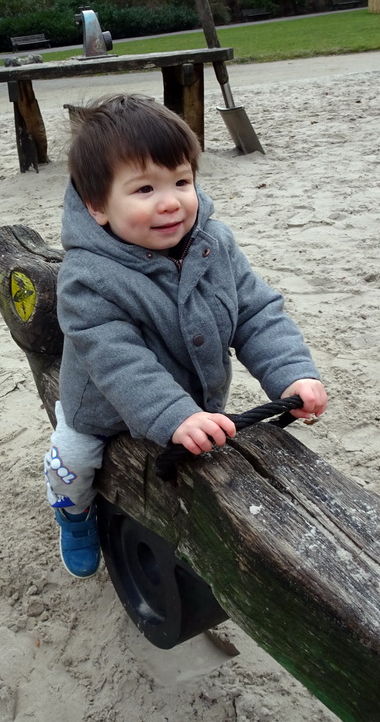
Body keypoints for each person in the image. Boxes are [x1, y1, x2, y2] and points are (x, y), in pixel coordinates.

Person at [44, 94, 328, 578]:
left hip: (195, 400)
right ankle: (73, 516)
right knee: (71, 462)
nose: (171, 201)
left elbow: (256, 312)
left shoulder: (213, 244)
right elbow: (118, 361)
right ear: (97, 206)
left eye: (181, 181)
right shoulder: (87, 278)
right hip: (104, 408)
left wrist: (291, 373)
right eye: (144, 190)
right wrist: (173, 414)